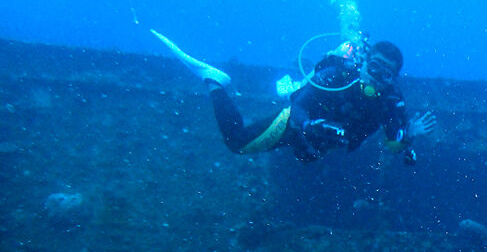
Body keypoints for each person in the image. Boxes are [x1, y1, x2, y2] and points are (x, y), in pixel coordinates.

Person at [151, 30, 436, 163]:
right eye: (373, 67)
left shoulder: (390, 102)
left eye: (386, 74)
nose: (377, 77)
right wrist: (309, 125)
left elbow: (392, 145)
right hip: (295, 125)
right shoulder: (338, 76)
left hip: (317, 147)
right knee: (237, 142)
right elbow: (299, 105)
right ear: (363, 62)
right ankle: (215, 81)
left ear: (393, 79)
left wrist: (409, 135)